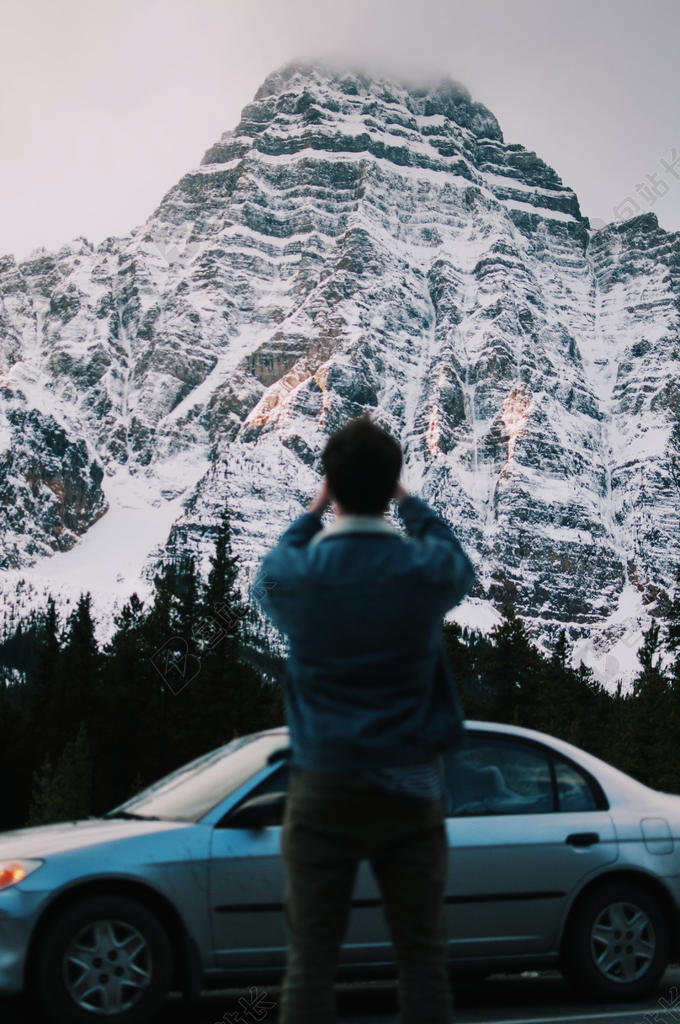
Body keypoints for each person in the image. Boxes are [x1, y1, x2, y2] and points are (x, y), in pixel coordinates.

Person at [252, 415, 475, 1024]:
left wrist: (310, 512)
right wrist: (410, 503)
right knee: (423, 959)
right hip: (409, 784)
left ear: (331, 485)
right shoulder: (421, 572)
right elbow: (458, 564)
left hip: (324, 781)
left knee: (311, 962)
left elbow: (264, 578)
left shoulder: (303, 577)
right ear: (391, 485)